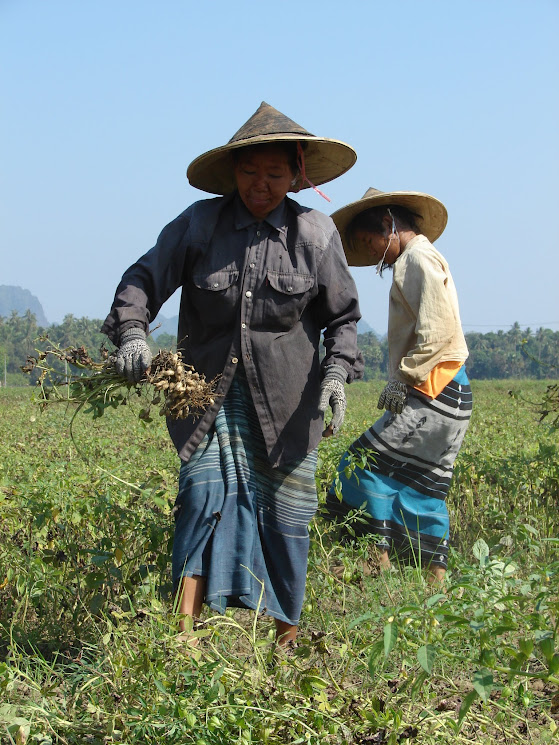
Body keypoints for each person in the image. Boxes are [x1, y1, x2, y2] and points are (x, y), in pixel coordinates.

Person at [101, 102, 363, 645]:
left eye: (273, 174)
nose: (260, 185)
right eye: (249, 172)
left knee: (287, 518)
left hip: (289, 405)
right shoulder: (200, 224)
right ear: (233, 173)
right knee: (200, 501)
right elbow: (144, 280)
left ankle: (283, 646)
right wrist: (131, 332)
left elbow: (342, 318)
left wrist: (336, 377)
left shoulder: (314, 235)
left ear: (296, 175)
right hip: (205, 397)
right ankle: (184, 639)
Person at [325, 188, 472, 583]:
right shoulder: (423, 256)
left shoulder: (415, 259)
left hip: (431, 389)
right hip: (454, 389)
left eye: (369, 242)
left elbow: (437, 331)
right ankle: (435, 584)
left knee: (359, 468)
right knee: (425, 481)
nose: (372, 254)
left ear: (388, 225)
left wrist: (402, 379)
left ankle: (379, 568)